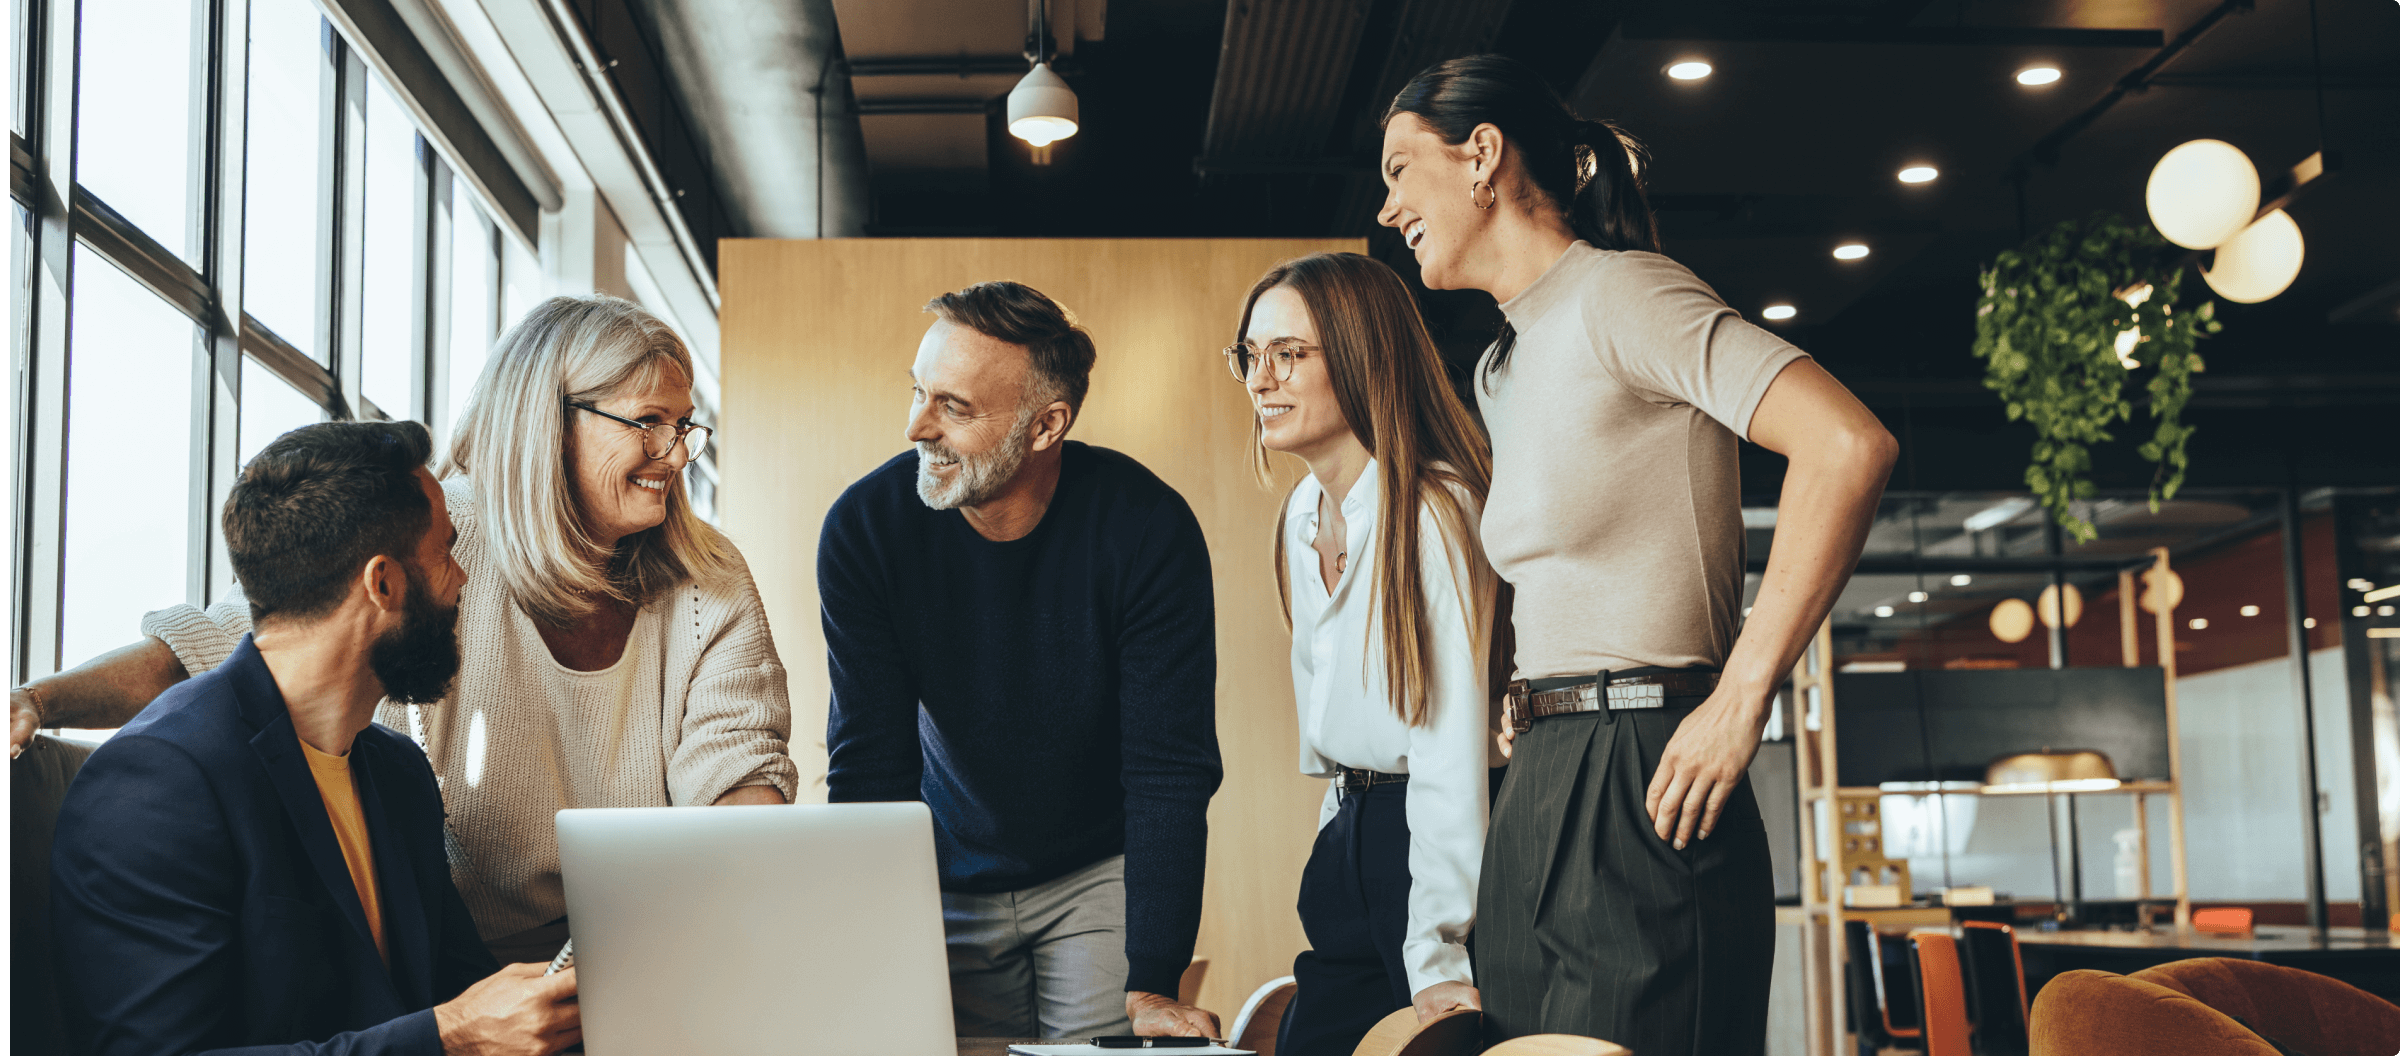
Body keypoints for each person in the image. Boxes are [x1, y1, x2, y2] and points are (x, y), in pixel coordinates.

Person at [12, 295, 797, 966]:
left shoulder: (706, 577)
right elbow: (224, 652)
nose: (675, 455)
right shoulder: (436, 535)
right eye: (649, 424)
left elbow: (738, 778)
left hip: (638, 950)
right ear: (550, 423)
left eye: (685, 427)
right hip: (447, 961)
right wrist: (40, 701)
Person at [1375, 55, 1896, 1056]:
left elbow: (1847, 446)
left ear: (1481, 155)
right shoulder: (1502, 364)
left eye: (1400, 167)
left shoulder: (1624, 295)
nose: (1388, 200)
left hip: (1649, 765)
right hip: (1543, 776)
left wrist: (1742, 698)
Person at [51, 420, 581, 1056]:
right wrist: (451, 1037)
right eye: (446, 551)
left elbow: (467, 992)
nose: (462, 578)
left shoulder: (396, 773)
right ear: (382, 582)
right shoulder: (154, 783)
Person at [819, 281, 1223, 1038]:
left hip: (1096, 873)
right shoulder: (864, 531)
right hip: (937, 871)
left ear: (1047, 425)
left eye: (954, 407)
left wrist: (1154, 979)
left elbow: (1169, 767)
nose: (916, 426)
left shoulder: (1147, 529)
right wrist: (867, 948)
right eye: (918, 392)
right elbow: (870, 761)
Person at [1230, 253, 1501, 1056]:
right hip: (1351, 831)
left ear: (1359, 355)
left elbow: (1449, 751)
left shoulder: (1436, 511)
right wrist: (1333, 840)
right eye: (1249, 355)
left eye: (1288, 354)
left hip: (1432, 842)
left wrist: (1439, 951)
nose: (1260, 379)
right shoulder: (1302, 514)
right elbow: (1330, 731)